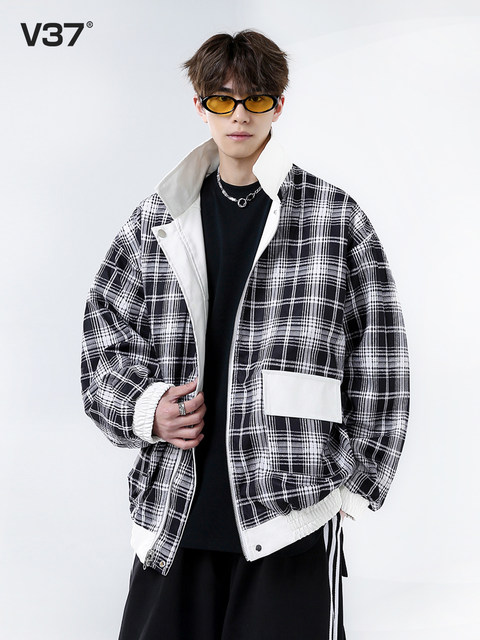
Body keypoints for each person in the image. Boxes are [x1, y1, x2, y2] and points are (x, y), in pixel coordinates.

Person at [80, 29, 410, 640]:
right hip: (174, 510)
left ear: (278, 105)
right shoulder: (158, 219)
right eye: (223, 99)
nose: (239, 115)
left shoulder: (333, 217)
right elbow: (103, 343)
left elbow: (381, 356)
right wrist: (147, 410)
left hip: (291, 516)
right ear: (200, 104)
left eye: (255, 99)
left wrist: (349, 485)